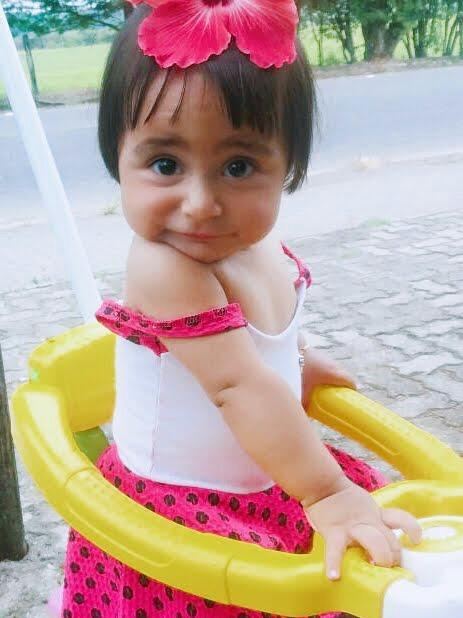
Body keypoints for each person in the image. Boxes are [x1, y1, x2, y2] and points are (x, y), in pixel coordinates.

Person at [58, 1, 422, 617]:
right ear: (117, 156)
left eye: (238, 166)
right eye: (165, 164)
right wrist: (326, 492)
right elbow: (235, 385)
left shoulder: (259, 245)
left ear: (288, 166)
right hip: (183, 507)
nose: (201, 204)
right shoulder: (165, 265)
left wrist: (298, 360)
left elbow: (257, 347)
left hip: (266, 476)